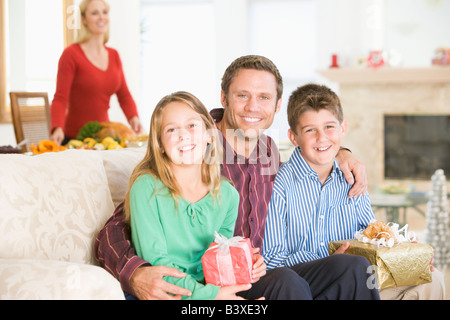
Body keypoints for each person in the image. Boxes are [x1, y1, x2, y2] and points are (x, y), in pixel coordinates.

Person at [95, 55, 372, 300]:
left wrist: (341, 152)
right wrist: (134, 273)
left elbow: (307, 156)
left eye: (264, 97)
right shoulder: (194, 148)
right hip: (219, 279)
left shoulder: (268, 151)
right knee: (287, 282)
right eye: (242, 95)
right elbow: (113, 230)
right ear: (224, 98)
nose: (253, 107)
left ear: (276, 107)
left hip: (259, 269)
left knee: (354, 268)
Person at [262, 83, 443, 300]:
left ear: (343, 128)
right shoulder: (280, 183)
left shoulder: (353, 176)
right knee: (351, 269)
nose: (322, 138)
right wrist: (329, 259)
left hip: (359, 276)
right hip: (312, 284)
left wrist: (401, 253)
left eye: (329, 127)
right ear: (294, 137)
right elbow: (272, 259)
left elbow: (371, 235)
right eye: (310, 130)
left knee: (433, 279)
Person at [125, 91, 266, 300]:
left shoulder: (227, 194)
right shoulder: (146, 188)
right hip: (168, 294)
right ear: (160, 145)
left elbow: (220, 256)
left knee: (284, 282)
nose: (183, 135)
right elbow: (157, 262)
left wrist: (247, 263)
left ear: (209, 134)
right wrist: (211, 296)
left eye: (192, 126)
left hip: (211, 289)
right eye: (171, 129)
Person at [50, 0, 143, 145]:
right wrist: (57, 127)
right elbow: (60, 98)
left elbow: (124, 95)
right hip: (75, 141)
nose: (101, 17)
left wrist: (133, 118)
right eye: (94, 13)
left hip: (104, 140)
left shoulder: (114, 56)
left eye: (104, 12)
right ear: (84, 19)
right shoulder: (71, 54)